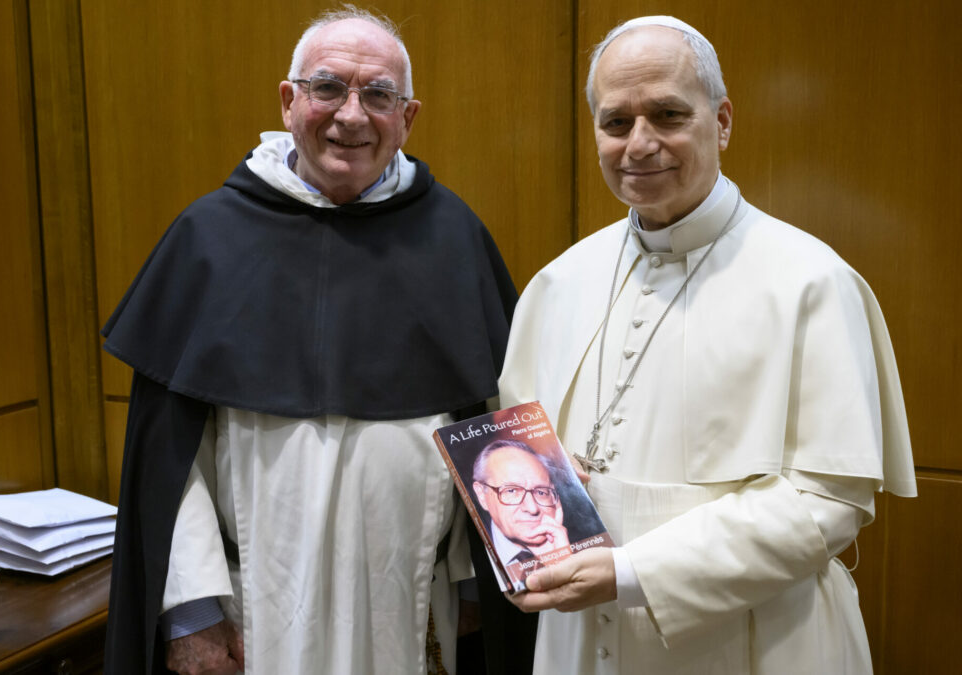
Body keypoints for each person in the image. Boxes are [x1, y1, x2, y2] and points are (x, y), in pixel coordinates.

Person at [101, 6, 518, 674]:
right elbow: (168, 464)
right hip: (252, 614)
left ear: (408, 117)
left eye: (378, 95)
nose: (351, 116)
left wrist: (473, 586)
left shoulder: (456, 240)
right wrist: (193, 615)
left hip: (412, 606)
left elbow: (490, 430)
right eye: (328, 88)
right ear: (290, 100)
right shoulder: (208, 241)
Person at [498, 15, 917, 674]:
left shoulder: (812, 280)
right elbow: (519, 435)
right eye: (615, 123)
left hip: (755, 639)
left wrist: (633, 572)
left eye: (668, 115)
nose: (639, 144)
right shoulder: (560, 281)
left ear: (721, 121)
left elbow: (828, 502)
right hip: (582, 636)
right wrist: (540, 479)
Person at [472, 440, 571, 580]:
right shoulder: (470, 549)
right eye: (512, 491)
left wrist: (559, 563)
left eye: (541, 492)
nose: (532, 508)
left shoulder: (568, 546)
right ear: (482, 495)